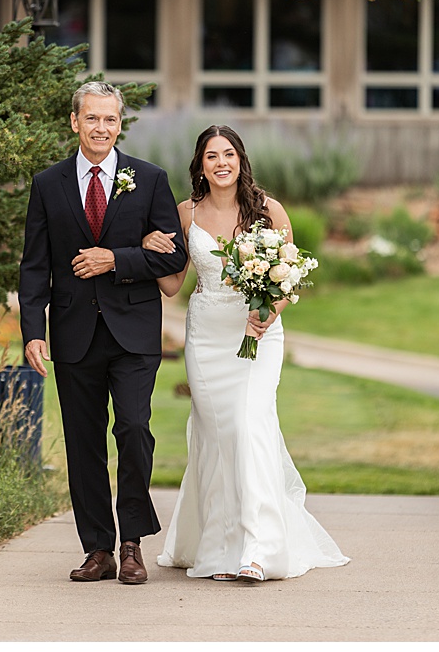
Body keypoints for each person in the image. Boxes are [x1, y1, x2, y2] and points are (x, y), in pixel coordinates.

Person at [147, 125, 349, 582]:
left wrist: (269, 313)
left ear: (241, 159)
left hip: (257, 336)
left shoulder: (268, 210)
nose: (221, 163)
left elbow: (289, 276)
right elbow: (173, 285)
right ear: (200, 164)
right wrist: (150, 249)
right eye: (211, 155)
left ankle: (259, 550)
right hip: (206, 334)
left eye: (229, 154)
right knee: (217, 436)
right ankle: (220, 548)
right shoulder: (185, 213)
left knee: (250, 424)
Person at [19, 81, 187, 585]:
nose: (101, 129)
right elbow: (35, 266)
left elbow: (174, 256)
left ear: (120, 124)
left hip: (133, 331)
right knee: (83, 443)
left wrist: (118, 258)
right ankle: (98, 548)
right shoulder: (48, 184)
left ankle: (133, 543)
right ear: (75, 122)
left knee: (134, 430)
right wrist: (33, 330)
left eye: (110, 120)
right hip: (73, 334)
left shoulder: (149, 179)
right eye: (92, 119)